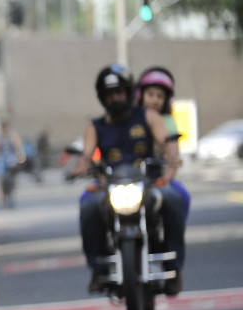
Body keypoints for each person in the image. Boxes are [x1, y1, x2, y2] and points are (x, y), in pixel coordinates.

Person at [71, 64, 186, 295]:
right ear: (103, 97)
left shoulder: (149, 116)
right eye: (109, 94)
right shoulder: (95, 127)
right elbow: (85, 155)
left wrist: (171, 163)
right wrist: (81, 166)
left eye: (119, 92)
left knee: (174, 199)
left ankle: (174, 267)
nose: (115, 97)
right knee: (87, 205)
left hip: (149, 184)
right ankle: (98, 268)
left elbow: (167, 141)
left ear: (129, 92)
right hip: (110, 186)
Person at [137, 66, 192, 224]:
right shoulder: (132, 118)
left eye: (160, 96)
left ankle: (173, 237)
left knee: (181, 196)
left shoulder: (169, 122)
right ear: (140, 95)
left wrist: (166, 178)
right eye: (150, 94)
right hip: (129, 178)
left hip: (156, 177)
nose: (155, 100)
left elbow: (173, 155)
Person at [0, 119, 26, 207]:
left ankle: (14, 183)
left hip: (11, 156)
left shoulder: (13, 135)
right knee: (0, 173)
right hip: (2, 157)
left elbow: (18, 146)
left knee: (13, 167)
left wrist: (21, 155)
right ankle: (2, 194)